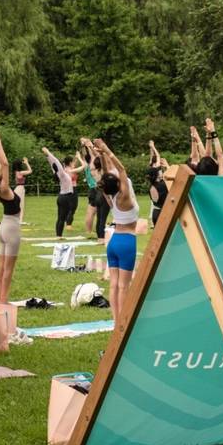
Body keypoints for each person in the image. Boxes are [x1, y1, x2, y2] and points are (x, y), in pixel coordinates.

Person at [95, 138, 140, 325]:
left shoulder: (110, 195)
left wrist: (102, 155)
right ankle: (122, 322)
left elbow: (107, 175)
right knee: (123, 286)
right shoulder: (124, 197)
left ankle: (116, 320)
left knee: (114, 284)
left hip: (113, 242)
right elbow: (121, 170)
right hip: (127, 242)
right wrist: (106, 150)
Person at [0, 130, 21, 304]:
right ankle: (3, 300)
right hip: (11, 229)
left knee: (1, 268)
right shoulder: (4, 189)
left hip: (3, 228)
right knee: (8, 269)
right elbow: (5, 164)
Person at [42, 147, 73, 239]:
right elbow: (55, 162)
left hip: (62, 197)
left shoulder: (58, 174)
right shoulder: (62, 174)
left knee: (60, 217)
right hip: (65, 197)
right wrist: (48, 152)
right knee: (62, 218)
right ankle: (59, 236)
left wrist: (48, 156)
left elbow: (53, 164)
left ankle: (58, 235)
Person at [12, 157, 32, 224]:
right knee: (21, 205)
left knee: (17, 205)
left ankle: (16, 219)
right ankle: (20, 220)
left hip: (17, 188)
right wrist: (27, 163)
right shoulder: (20, 172)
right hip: (20, 188)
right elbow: (30, 171)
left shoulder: (15, 172)